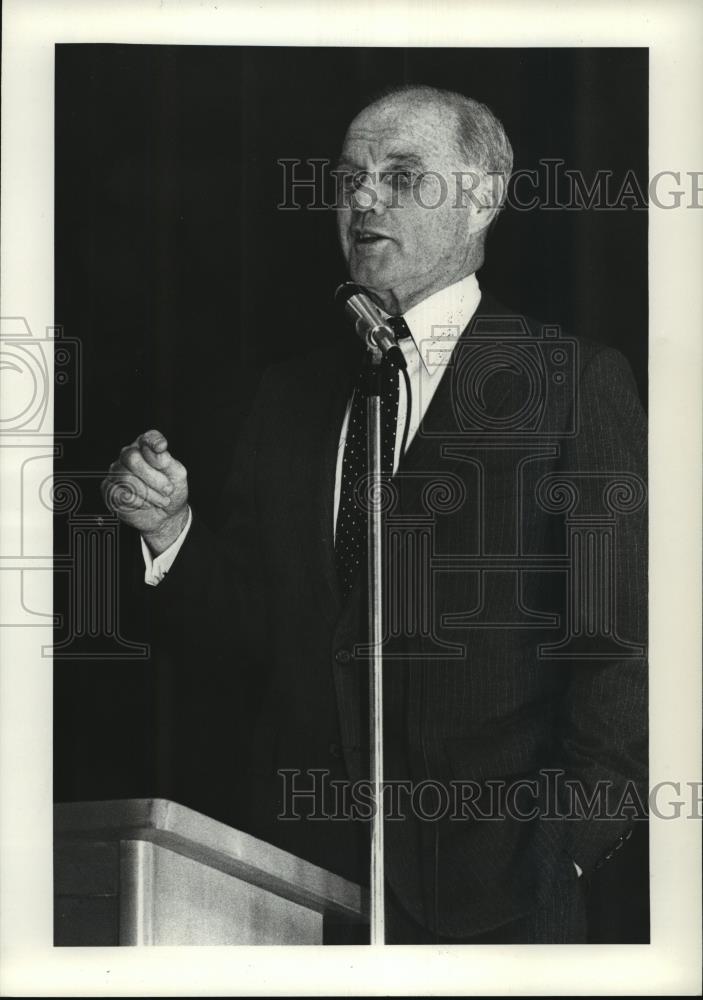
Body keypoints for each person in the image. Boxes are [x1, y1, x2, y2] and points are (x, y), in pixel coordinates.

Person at [101, 84, 648, 943]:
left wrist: (564, 851)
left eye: (399, 176)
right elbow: (250, 640)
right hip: (290, 889)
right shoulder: (287, 400)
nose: (361, 197)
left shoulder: (569, 384)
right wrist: (170, 532)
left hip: (496, 902)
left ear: (480, 199)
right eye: (349, 176)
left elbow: (620, 651)